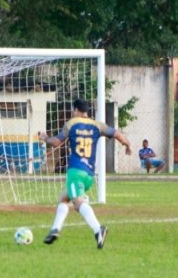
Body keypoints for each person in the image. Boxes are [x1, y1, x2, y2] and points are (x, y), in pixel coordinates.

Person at [38, 98, 132, 249]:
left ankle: (98, 230)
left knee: (77, 203)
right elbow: (116, 133)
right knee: (63, 198)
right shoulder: (97, 125)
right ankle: (55, 229)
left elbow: (56, 142)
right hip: (89, 175)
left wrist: (45, 138)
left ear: (76, 110)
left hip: (75, 172)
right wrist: (127, 144)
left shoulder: (71, 124)